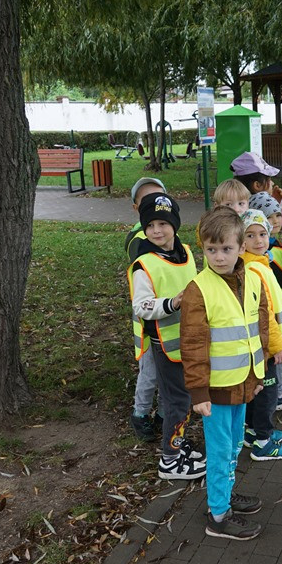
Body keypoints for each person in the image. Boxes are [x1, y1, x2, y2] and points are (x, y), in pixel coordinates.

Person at [180, 207, 273, 540]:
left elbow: (259, 328)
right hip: (216, 390)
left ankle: (225, 494)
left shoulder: (251, 280)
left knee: (234, 446)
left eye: (227, 249)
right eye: (211, 249)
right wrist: (198, 392)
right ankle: (218, 515)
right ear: (203, 249)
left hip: (243, 383)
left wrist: (258, 376)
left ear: (241, 247)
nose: (219, 257)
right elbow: (192, 345)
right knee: (220, 451)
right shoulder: (198, 289)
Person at [127, 193, 205, 481]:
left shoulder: (185, 252)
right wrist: (172, 303)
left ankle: (177, 441)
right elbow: (141, 305)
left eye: (163, 223)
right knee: (177, 401)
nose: (157, 231)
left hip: (190, 340)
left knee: (183, 399)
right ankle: (170, 460)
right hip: (166, 344)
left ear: (175, 223)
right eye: (150, 226)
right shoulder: (143, 264)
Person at [240, 210, 282, 460]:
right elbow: (265, 314)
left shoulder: (256, 263)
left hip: (260, 345)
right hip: (267, 346)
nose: (258, 240)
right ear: (240, 240)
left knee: (257, 389)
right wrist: (277, 346)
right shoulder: (255, 268)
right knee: (267, 392)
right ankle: (263, 441)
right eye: (250, 235)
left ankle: (253, 430)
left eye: (262, 234)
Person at [124, 177, 167, 442]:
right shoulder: (138, 239)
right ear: (136, 208)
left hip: (171, 323)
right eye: (146, 202)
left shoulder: (168, 232)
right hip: (149, 321)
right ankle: (140, 415)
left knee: (170, 373)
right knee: (150, 372)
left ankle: (164, 413)